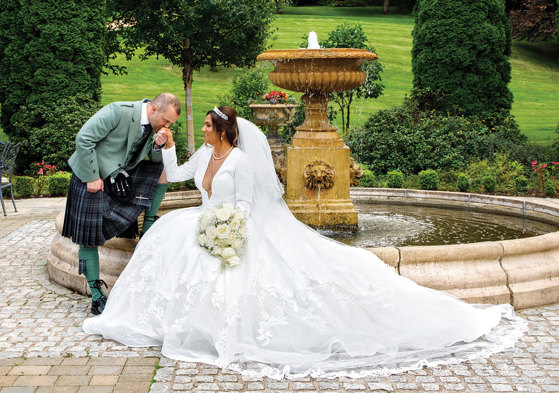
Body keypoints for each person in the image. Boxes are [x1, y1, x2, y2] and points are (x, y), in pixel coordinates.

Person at [83, 106, 526, 379]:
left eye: (205, 127)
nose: (201, 131)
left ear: (224, 131)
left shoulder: (239, 161)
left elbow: (249, 205)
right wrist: (165, 147)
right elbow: (178, 175)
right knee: (165, 236)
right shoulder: (205, 155)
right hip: (203, 220)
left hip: (234, 225)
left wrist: (231, 230)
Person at [63, 93, 180, 315]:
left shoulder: (154, 128)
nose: (167, 126)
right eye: (166, 120)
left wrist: (157, 146)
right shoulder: (118, 111)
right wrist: (91, 176)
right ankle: (97, 297)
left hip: (118, 176)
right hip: (91, 176)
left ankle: (149, 226)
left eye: (170, 124)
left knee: (163, 171)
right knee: (89, 238)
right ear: (154, 109)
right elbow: (84, 139)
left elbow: (155, 161)